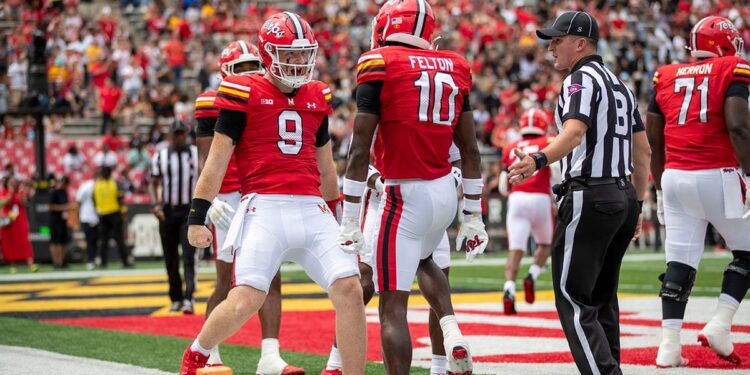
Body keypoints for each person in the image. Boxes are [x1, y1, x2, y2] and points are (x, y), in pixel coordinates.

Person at [180, 12, 366, 375]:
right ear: (268, 53)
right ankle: (198, 352)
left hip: (313, 208)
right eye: (289, 54)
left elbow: (326, 169)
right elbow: (215, 163)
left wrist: (345, 221)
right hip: (263, 206)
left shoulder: (317, 95)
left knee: (350, 289)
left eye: (303, 54)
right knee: (246, 298)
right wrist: (196, 216)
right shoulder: (242, 90)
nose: (298, 62)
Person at [338, 1, 487, 373]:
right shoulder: (456, 65)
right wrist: (473, 214)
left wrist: (350, 218)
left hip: (403, 194)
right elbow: (470, 149)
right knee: (424, 259)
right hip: (444, 193)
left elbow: (359, 152)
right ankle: (450, 327)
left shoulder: (380, 61)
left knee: (392, 307)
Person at [511, 11, 651, 375]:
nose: (551, 48)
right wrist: (635, 204)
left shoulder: (581, 79)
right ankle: (610, 367)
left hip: (591, 195)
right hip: (620, 196)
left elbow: (573, 132)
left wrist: (538, 159)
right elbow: (643, 152)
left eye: (557, 40)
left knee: (573, 297)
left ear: (581, 43)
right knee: (602, 299)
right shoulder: (620, 86)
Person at [193, 39, 303, 374]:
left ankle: (270, 356)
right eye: (240, 68)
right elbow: (207, 159)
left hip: (258, 193)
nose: (248, 74)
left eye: (253, 67)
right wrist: (207, 203)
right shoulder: (212, 102)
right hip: (225, 200)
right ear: (226, 72)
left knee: (271, 277)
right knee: (227, 282)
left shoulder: (272, 95)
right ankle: (208, 351)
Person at [646, 16, 750, 368]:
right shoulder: (732, 67)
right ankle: (720, 324)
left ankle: (669, 346)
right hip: (717, 174)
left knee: (679, 263)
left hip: (675, 177)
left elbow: (654, 139)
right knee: (748, 252)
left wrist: (660, 187)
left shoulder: (665, 75)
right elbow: (738, 125)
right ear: (724, 44)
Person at [323, 142, 464, 375]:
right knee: (365, 281)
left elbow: (460, 154)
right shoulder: (382, 107)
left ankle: (439, 366)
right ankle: (335, 362)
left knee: (432, 275)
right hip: (385, 201)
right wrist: (380, 183)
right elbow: (358, 157)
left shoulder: (441, 109)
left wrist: (452, 182)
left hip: (425, 199)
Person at [498, 108, 557, 315]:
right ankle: (532, 275)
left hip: (517, 198)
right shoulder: (549, 142)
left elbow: (503, 187)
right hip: (541, 198)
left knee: (516, 250)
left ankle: (509, 290)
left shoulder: (510, 147)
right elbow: (556, 176)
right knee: (545, 245)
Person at [150, 121, 199, 314]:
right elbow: (153, 181)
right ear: (171, 135)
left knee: (189, 256)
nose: (180, 137)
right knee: (170, 257)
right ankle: (176, 297)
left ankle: (189, 297)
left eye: (182, 133)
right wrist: (155, 204)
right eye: (176, 134)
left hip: (189, 210)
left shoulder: (195, 153)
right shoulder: (161, 155)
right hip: (168, 211)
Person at [94, 166, 132, 269]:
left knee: (104, 240)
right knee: (119, 239)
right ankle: (125, 261)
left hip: (103, 215)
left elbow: (94, 200)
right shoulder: (115, 183)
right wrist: (123, 213)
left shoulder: (97, 185)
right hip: (114, 214)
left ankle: (103, 262)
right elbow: (120, 199)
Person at [0, 176, 38, 273]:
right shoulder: (3, 192)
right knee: (10, 242)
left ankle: (30, 263)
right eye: (11, 182)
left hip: (20, 220)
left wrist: (21, 193)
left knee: (24, 241)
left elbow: (24, 204)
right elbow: (4, 202)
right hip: (8, 220)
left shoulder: (21, 192)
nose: (13, 184)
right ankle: (12, 264)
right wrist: (10, 192)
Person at [76, 173, 100, 270]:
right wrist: (78, 216)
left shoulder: (100, 187)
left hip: (97, 217)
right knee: (90, 240)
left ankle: (93, 259)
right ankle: (90, 260)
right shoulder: (87, 186)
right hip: (87, 217)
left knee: (95, 240)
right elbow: (78, 200)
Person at [48, 175, 72, 268]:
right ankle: (56, 262)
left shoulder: (64, 192)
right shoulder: (54, 192)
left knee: (62, 241)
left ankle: (62, 260)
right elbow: (51, 207)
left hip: (63, 220)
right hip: (55, 220)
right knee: (55, 242)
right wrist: (65, 207)